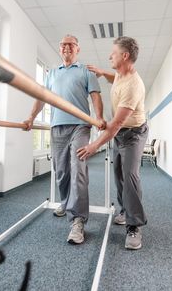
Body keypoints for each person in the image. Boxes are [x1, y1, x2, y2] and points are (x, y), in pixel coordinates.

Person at [24, 34, 105, 245]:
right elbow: (41, 97)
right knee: (61, 172)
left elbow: (95, 95)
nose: (66, 47)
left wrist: (99, 117)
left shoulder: (86, 71)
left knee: (78, 168)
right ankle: (67, 202)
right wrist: (31, 118)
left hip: (80, 126)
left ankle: (78, 220)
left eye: (71, 44)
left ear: (77, 49)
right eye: (63, 44)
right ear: (59, 49)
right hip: (57, 127)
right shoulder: (51, 73)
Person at [77, 36, 148, 250]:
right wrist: (101, 72)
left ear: (124, 56)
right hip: (120, 134)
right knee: (118, 173)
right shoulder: (120, 73)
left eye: (113, 53)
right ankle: (125, 211)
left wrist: (93, 146)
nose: (110, 56)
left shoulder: (133, 86)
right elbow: (113, 77)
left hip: (133, 134)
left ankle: (134, 226)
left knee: (130, 175)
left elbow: (115, 125)